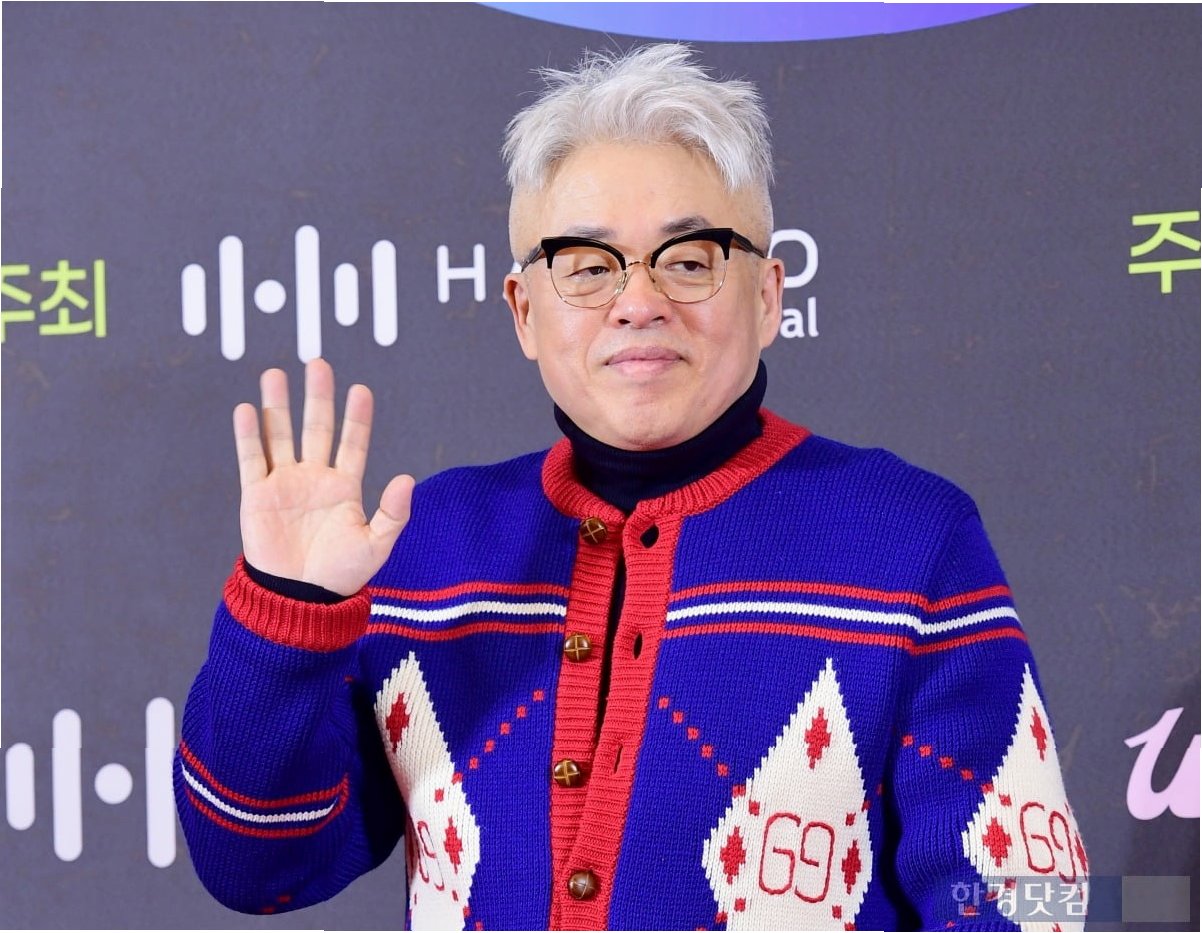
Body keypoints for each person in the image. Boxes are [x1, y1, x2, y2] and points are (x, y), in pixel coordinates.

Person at [175, 44, 1088, 931]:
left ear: (769, 295)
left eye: (690, 259)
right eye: (587, 264)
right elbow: (256, 869)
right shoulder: (428, 543)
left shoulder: (910, 538)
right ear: (524, 312)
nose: (639, 301)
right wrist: (288, 612)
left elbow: (1028, 898)